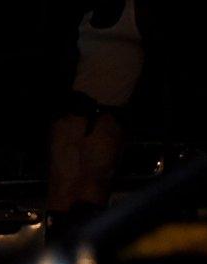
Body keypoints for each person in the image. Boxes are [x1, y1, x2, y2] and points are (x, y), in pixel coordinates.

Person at [46, 0, 150, 240]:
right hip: (73, 120)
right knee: (61, 199)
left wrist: (125, 116)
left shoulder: (135, 14)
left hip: (106, 120)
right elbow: (64, 68)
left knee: (90, 204)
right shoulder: (85, 18)